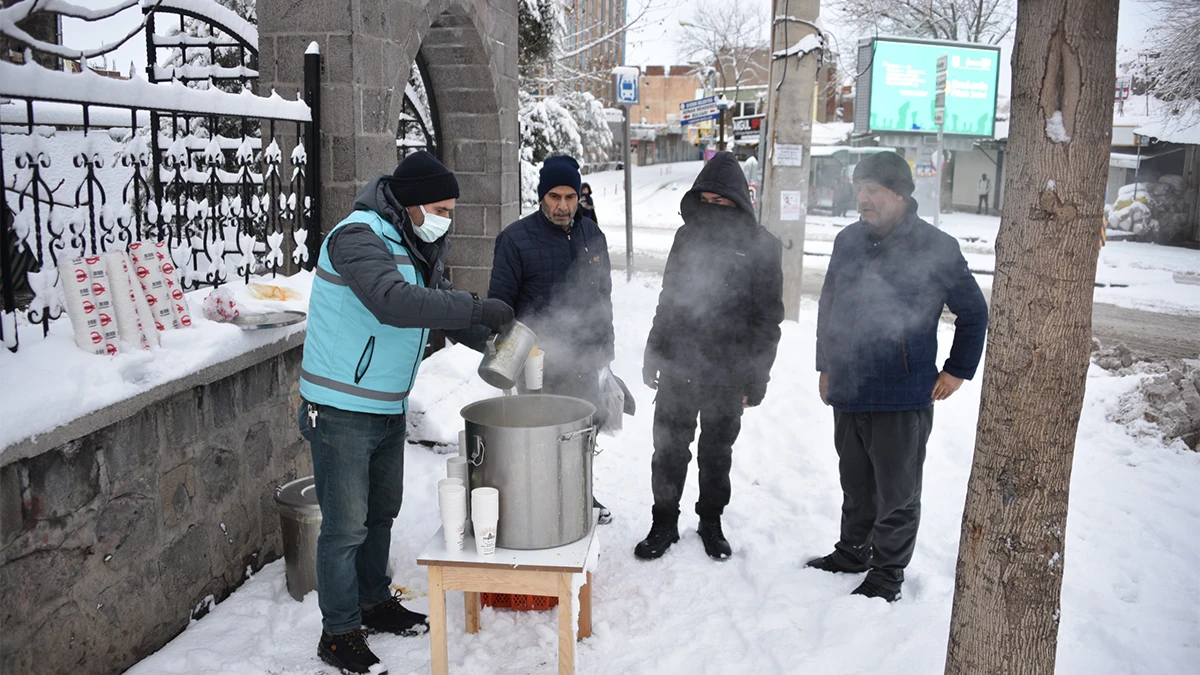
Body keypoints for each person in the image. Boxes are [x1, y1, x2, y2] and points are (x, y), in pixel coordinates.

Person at [298, 150, 514, 674]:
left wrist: (494, 332)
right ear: (411, 203)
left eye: (451, 209)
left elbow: (436, 305)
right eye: (441, 207)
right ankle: (339, 631)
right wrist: (475, 307)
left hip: (386, 403)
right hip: (340, 406)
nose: (447, 217)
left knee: (380, 514)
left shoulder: (418, 241)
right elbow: (393, 303)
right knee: (345, 527)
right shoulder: (356, 236)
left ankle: (372, 603)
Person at [808, 151, 988, 602]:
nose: (861, 198)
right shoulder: (848, 240)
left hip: (901, 393)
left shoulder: (936, 247)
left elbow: (974, 312)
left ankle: (887, 574)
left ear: (898, 193)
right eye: (859, 189)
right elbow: (828, 305)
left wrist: (957, 371)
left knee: (897, 493)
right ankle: (853, 552)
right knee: (855, 483)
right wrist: (825, 365)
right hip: (849, 386)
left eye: (870, 189)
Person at [637, 150, 784, 562]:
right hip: (680, 365)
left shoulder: (763, 247)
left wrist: (758, 379)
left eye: (724, 202)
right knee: (668, 450)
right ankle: (663, 521)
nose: (715, 208)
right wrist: (654, 352)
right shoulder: (686, 238)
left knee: (716, 454)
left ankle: (711, 521)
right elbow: (669, 299)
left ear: (740, 201)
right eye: (708, 200)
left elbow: (768, 320)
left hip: (729, 372)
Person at [488, 155, 615, 523]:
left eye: (570, 197)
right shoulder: (515, 239)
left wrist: (606, 347)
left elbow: (603, 296)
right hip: (537, 362)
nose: (563, 206)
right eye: (555, 197)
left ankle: (579, 495)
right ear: (542, 196)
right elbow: (500, 307)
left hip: (584, 357)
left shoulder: (593, 235)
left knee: (582, 436)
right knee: (539, 436)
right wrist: (506, 359)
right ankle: (539, 503)